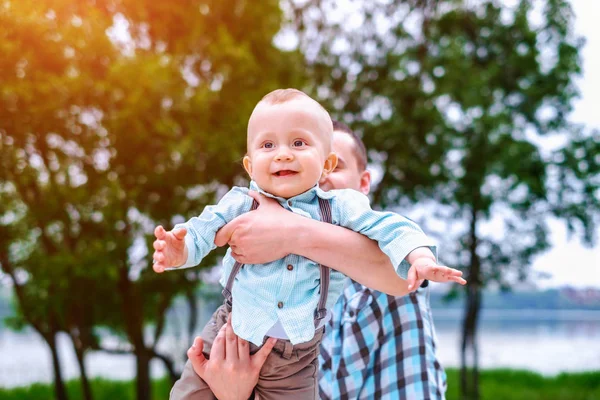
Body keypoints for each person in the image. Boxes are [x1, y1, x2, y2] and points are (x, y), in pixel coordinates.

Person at [153, 89, 463, 399]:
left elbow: (393, 229)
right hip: (233, 327)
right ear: (250, 166)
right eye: (268, 145)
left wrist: (419, 256)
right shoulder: (244, 202)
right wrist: (181, 250)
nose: (284, 154)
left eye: (299, 144)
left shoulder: (341, 212)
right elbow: (203, 228)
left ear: (326, 165)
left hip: (295, 354)